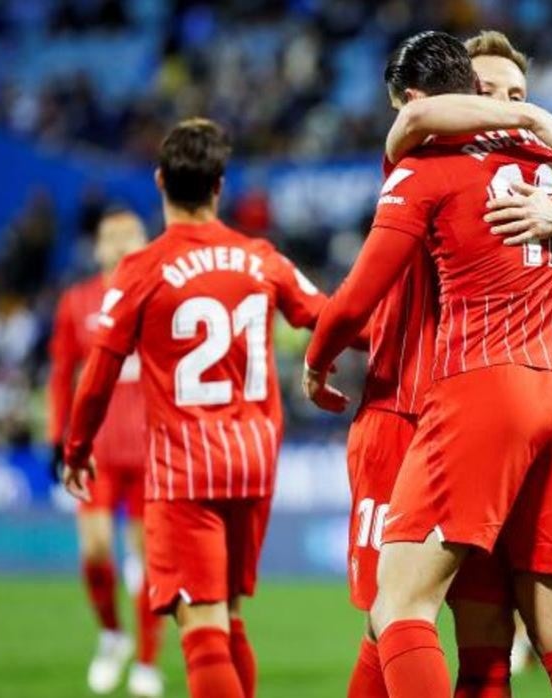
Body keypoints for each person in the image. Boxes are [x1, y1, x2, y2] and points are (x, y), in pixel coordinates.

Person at [304, 30, 552, 698]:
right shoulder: (548, 176)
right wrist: (540, 128)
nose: (501, 106)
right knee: (534, 632)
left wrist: (316, 357)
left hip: (459, 399)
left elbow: (355, 296)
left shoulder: (427, 169)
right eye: (485, 94)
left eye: (517, 94)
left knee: (395, 611)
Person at [61, 118, 327, 698]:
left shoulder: (140, 270)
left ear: (159, 181)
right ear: (219, 187)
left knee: (201, 626)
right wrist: (328, 363)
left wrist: (77, 449)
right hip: (254, 463)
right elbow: (326, 317)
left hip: (187, 469)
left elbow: (97, 376)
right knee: (229, 615)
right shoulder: (262, 258)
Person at [48, 209, 164, 696]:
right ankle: (112, 635)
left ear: (144, 241)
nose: (119, 245)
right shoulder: (77, 303)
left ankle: (147, 661)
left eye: (129, 236)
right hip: (97, 448)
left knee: (145, 561)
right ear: (96, 249)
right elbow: (60, 375)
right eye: (110, 238)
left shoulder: (159, 295)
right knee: (95, 549)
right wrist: (59, 437)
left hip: (150, 448)